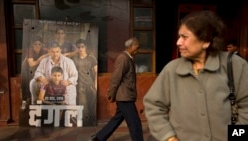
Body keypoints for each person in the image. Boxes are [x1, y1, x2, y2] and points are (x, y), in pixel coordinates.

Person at [143, 10, 248, 141]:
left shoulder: (235, 65)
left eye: (185, 37)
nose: (178, 42)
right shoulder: (172, 70)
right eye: (179, 37)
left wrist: (236, 137)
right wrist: (169, 137)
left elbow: (246, 107)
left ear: (206, 41)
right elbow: (154, 106)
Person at [91, 37, 144, 141]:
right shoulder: (123, 58)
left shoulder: (128, 58)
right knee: (135, 123)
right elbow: (116, 78)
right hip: (124, 97)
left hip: (126, 96)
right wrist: (111, 93)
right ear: (131, 47)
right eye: (137, 47)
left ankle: (99, 137)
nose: (138, 49)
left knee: (117, 119)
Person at [71, 39, 98, 126]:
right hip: (80, 86)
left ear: (85, 47)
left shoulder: (91, 58)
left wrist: (96, 85)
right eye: (78, 47)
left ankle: (92, 124)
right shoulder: (74, 59)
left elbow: (96, 72)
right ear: (76, 48)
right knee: (83, 106)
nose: (81, 49)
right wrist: (73, 53)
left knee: (91, 106)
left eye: (82, 46)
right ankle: (86, 126)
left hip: (90, 85)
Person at [21, 35, 49, 110]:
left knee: (38, 84)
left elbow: (52, 53)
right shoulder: (29, 50)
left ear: (42, 44)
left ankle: (38, 102)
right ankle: (24, 101)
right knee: (26, 84)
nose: (37, 46)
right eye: (35, 44)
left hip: (37, 70)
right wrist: (41, 58)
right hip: (27, 70)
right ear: (32, 45)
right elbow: (31, 63)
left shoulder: (45, 50)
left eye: (39, 44)